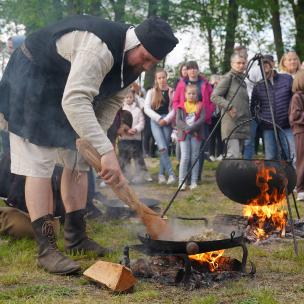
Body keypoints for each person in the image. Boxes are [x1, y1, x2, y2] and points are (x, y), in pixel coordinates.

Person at [0, 15, 178, 275]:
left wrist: (100, 147)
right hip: (31, 85)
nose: (148, 67)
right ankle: (47, 249)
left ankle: (76, 236)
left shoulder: (132, 67)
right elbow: (75, 101)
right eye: (146, 57)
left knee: (78, 161)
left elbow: (107, 108)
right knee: (39, 162)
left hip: (66, 93)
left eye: (154, 62)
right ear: (136, 42)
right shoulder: (98, 47)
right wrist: (106, 151)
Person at [0, 110, 133, 238]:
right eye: (125, 130)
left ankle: (70, 235)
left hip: (49, 178)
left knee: (54, 226)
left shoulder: (65, 155)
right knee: (47, 228)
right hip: (20, 178)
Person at [173, 61, 214, 182]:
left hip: (201, 121)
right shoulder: (181, 84)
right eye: (190, 69)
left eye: (195, 69)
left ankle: (196, 177)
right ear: (187, 70)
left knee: (199, 151)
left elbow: (212, 100)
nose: (192, 71)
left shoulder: (205, 83)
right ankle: (185, 177)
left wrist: (208, 112)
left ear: (198, 70)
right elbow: (175, 101)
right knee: (184, 152)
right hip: (185, 121)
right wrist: (179, 111)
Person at [251, 56, 295, 164]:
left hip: (286, 125)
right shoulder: (258, 86)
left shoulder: (287, 79)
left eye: (267, 62)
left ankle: (297, 179)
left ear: (273, 63)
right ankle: (273, 180)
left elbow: (295, 99)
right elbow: (253, 107)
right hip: (268, 127)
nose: (265, 65)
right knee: (270, 157)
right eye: (262, 63)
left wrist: (292, 117)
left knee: (293, 155)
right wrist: (260, 121)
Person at [211, 53, 250, 158]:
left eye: (243, 63)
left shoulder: (242, 80)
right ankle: (229, 174)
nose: (241, 65)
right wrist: (229, 106)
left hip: (242, 123)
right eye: (238, 63)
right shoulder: (228, 77)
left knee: (238, 156)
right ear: (232, 64)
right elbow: (214, 96)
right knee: (233, 156)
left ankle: (236, 174)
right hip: (231, 124)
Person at [144, 68, 176, 184]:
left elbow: (175, 108)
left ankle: (162, 174)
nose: (162, 80)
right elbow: (146, 108)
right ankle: (171, 175)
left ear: (166, 77)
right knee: (162, 147)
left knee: (165, 149)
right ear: (156, 80)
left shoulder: (172, 91)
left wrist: (166, 119)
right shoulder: (151, 92)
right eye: (159, 78)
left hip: (167, 122)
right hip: (155, 121)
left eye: (163, 77)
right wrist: (158, 118)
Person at [118, 89, 152, 183]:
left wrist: (136, 129)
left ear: (134, 98)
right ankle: (125, 176)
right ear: (124, 98)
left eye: (130, 97)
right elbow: (119, 123)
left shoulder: (138, 110)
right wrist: (126, 130)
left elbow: (142, 122)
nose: (128, 99)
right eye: (127, 97)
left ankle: (141, 174)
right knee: (124, 158)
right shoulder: (121, 111)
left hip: (136, 138)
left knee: (138, 156)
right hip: (124, 138)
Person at [176, 84, 205, 190]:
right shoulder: (180, 106)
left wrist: (191, 129)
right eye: (189, 93)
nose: (191, 95)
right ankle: (181, 182)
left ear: (197, 95)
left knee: (194, 157)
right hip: (184, 135)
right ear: (185, 94)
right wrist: (186, 128)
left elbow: (202, 119)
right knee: (185, 157)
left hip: (196, 135)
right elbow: (178, 121)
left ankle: (193, 181)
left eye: (193, 94)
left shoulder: (200, 106)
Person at [289, 70, 304, 201]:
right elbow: (295, 116)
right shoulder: (297, 97)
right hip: (301, 132)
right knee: (302, 160)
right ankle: (300, 189)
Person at [208, 74, 223, 161]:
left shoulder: (222, 91)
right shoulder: (209, 91)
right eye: (214, 83)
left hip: (220, 115)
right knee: (211, 136)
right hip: (211, 116)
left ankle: (220, 153)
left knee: (220, 135)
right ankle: (211, 154)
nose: (216, 85)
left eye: (218, 83)